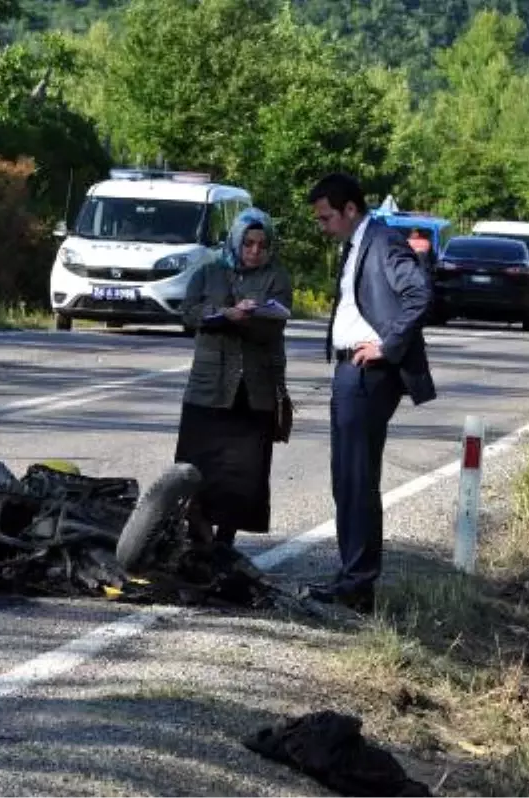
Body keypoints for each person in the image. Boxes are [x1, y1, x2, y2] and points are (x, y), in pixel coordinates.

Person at [305, 173, 437, 613]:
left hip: (369, 374)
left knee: (357, 479)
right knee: (346, 479)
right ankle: (351, 576)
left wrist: (388, 345)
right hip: (349, 371)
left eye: (326, 217)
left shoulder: (381, 241)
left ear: (349, 210)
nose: (322, 226)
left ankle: (358, 584)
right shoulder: (357, 243)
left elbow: (419, 293)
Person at [174, 207, 293, 546]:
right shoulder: (208, 272)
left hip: (254, 390)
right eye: (249, 244)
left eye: (262, 245)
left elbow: (276, 322)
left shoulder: (276, 278)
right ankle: (199, 538)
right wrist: (222, 314)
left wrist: (248, 318)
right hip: (208, 388)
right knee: (197, 466)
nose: (255, 251)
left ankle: (226, 543)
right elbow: (188, 314)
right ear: (235, 241)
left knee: (244, 473)